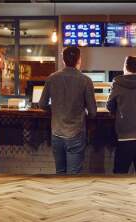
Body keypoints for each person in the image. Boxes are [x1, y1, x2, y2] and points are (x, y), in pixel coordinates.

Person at [39, 46, 97, 175]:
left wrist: (55, 109)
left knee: (60, 172)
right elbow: (93, 112)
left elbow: (42, 104)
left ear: (63, 60)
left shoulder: (52, 78)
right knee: (73, 175)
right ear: (79, 60)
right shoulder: (85, 80)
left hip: (56, 132)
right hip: (75, 133)